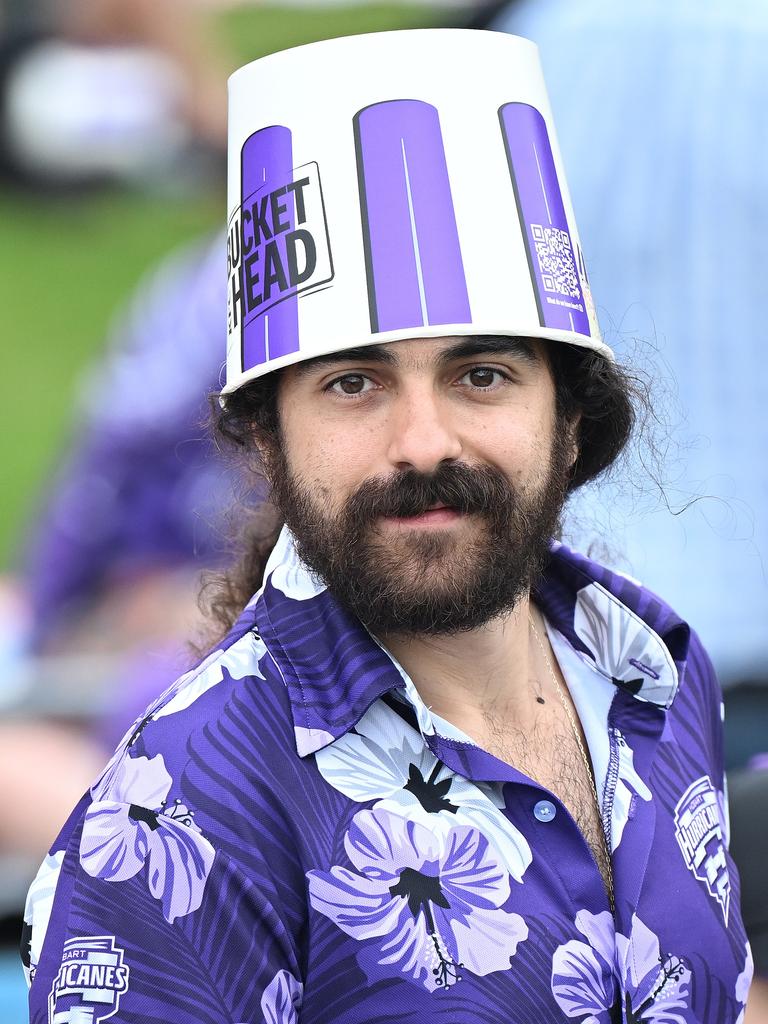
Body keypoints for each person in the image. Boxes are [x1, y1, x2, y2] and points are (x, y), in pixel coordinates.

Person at [24, 29, 751, 1023]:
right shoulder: (180, 808)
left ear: (570, 421)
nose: (422, 440)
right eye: (355, 383)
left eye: (481, 374)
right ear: (268, 441)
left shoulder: (659, 675)